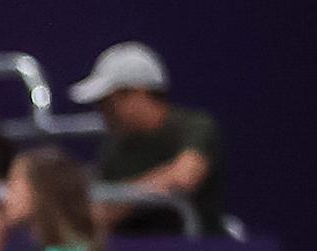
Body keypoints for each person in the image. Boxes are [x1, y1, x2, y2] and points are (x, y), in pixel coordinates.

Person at [69, 40, 228, 233]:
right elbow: (100, 213)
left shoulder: (194, 126)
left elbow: (185, 176)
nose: (102, 112)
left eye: (108, 103)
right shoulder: (113, 148)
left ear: (138, 93)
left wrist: (122, 197)